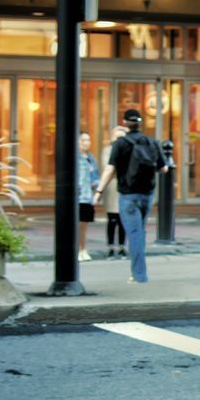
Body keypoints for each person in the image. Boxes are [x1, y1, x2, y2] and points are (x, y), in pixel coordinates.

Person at [94, 109, 164, 283]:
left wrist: (99, 192)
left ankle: (139, 275)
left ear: (125, 123)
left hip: (128, 195)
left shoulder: (120, 144)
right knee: (140, 231)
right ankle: (138, 272)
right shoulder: (153, 142)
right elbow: (163, 168)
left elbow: (110, 170)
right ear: (140, 123)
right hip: (147, 194)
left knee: (134, 233)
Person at [101, 125, 128, 258]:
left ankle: (123, 246)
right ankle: (111, 247)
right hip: (112, 187)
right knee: (112, 219)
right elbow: (108, 167)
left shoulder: (130, 149)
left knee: (123, 219)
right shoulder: (108, 150)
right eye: (117, 137)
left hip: (125, 187)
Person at [76, 132, 99, 262]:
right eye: (83, 140)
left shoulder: (91, 158)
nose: (86, 142)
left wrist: (97, 191)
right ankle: (77, 250)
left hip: (87, 196)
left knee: (84, 225)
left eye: (88, 140)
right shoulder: (75, 158)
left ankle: (83, 249)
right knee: (77, 225)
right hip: (78, 197)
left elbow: (95, 177)